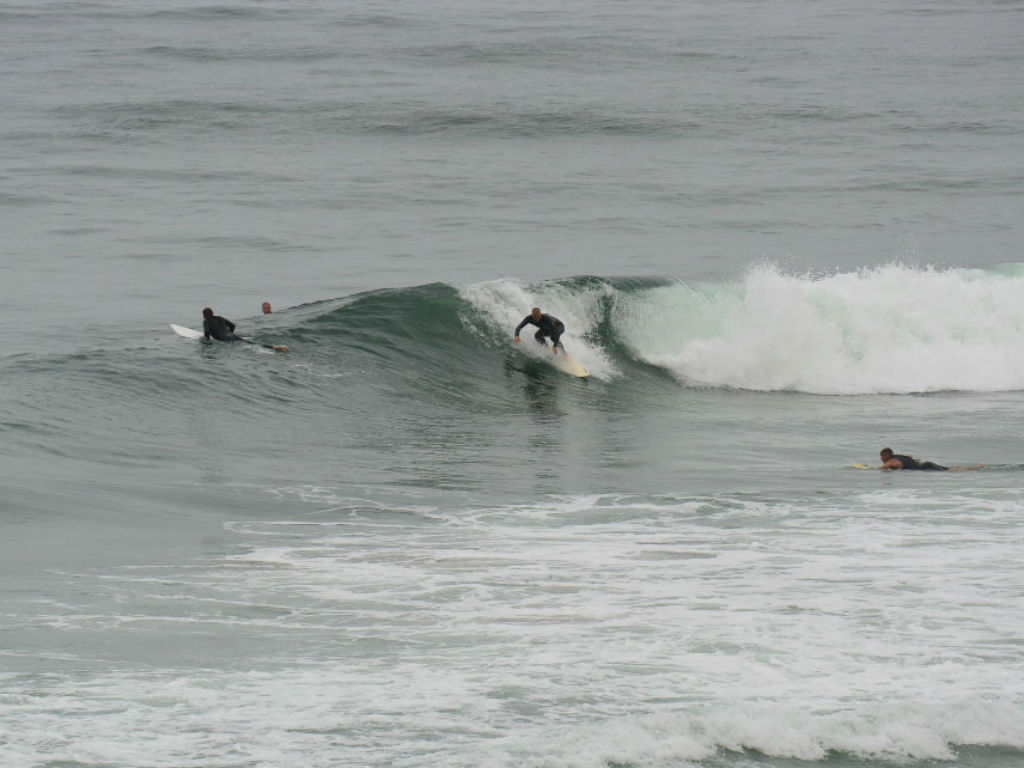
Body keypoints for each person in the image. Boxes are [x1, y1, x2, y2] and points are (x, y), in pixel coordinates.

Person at [202, 307, 289, 352]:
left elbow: (206, 333)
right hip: (233, 336)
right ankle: (276, 347)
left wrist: (207, 341)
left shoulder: (206, 322)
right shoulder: (219, 318)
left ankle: (272, 348)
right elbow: (232, 326)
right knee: (252, 344)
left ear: (204, 316)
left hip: (226, 341)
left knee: (248, 347)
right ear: (212, 313)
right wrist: (229, 333)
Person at [879, 447, 947, 471]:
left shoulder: (891, 461)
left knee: (948, 472)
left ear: (885, 456)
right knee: (949, 470)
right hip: (926, 464)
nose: (881, 459)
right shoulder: (897, 456)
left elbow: (883, 468)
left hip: (925, 467)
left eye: (881, 456)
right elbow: (910, 457)